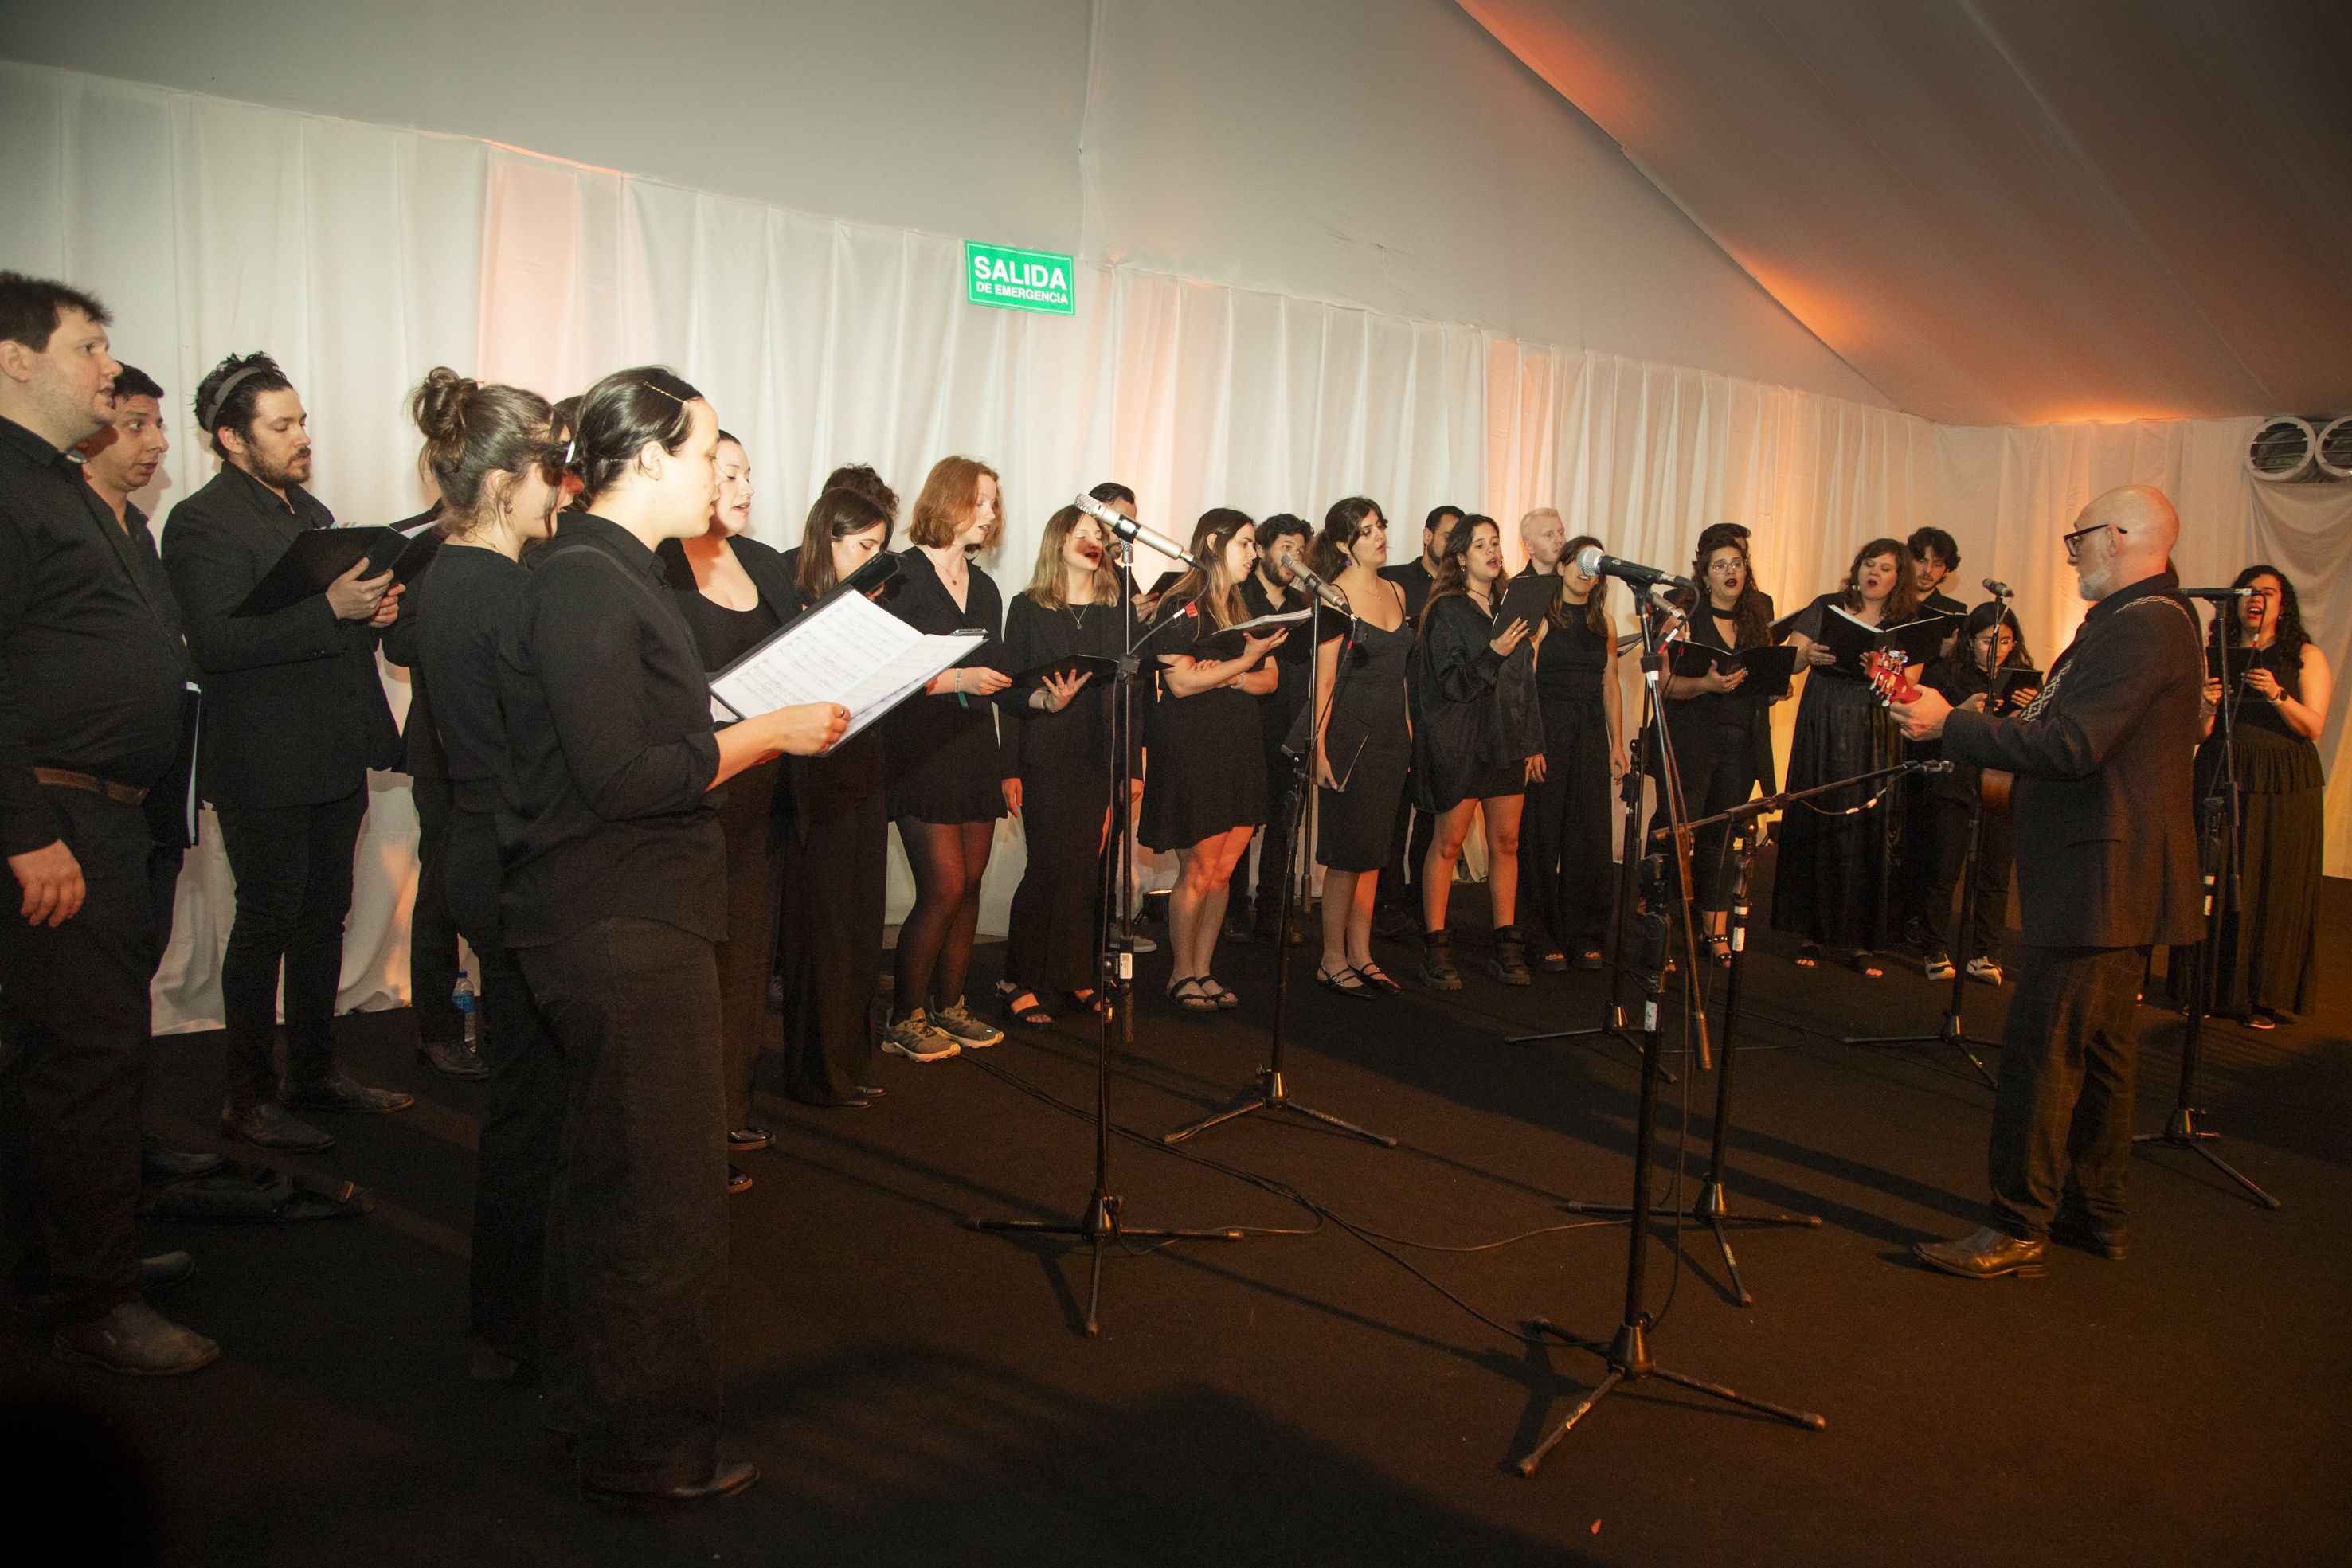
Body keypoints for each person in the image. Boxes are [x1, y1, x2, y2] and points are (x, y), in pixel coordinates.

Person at [497, 364, 845, 1505]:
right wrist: (768, 735)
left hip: (629, 909)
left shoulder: (610, 573)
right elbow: (623, 774)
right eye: (704, 453)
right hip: (617, 915)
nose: (719, 474)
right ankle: (643, 1448)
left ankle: (595, 1417)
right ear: (645, 459)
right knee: (660, 1192)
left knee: (617, 1178)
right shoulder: (586, 582)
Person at [1894, 485, 2203, 1278]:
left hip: (2104, 874)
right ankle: (2093, 1214)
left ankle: (2016, 1224)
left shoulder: (2146, 629)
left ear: (2124, 536)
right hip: (2108, 872)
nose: (2070, 551)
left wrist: (1951, 725)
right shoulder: (2131, 625)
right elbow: (2056, 726)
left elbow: (2073, 746)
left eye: (2079, 537)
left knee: (2041, 1053)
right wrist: (1974, 717)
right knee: (2099, 1056)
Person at [0, 273, 214, 1374]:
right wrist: (25, 828)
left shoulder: (66, 492)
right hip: (56, 820)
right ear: (15, 358)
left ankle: (69, 1256)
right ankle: (93, 1297)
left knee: (76, 1057)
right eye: (87, 346)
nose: (105, 368)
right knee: (84, 1059)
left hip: (106, 819)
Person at [162, 351, 412, 1150]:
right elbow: (215, 643)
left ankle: (314, 1071)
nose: (302, 435)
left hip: (330, 749)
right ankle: (247, 1093)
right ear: (232, 439)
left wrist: (367, 614)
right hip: (261, 758)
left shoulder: (308, 510)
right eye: (283, 424)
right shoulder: (201, 522)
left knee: (323, 917)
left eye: (302, 420)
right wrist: (333, 609)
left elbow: (324, 622)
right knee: (267, 920)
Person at [398, 366, 567, 1380]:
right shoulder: (506, 591)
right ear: (505, 481)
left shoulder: (446, 578)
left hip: (478, 848)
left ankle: (506, 1319)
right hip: (514, 865)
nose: (563, 489)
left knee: (525, 1096)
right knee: (534, 1105)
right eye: (549, 470)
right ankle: (514, 1321)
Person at [73, 366, 226, 1187]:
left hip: (155, 794)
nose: (157, 443)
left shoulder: (136, 529)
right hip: (84, 804)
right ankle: (96, 1167)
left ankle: (123, 1146)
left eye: (157, 426)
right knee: (89, 1006)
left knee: (134, 974)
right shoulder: (67, 532)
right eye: (133, 424)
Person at [659, 430, 799, 1193]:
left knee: (746, 957)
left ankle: (728, 1109)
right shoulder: (659, 567)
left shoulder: (768, 562)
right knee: (694, 970)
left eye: (749, 474)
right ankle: (688, 1140)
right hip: (693, 795)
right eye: (729, 474)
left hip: (763, 792)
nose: (745, 488)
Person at [880, 456, 1013, 1061]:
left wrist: (1039, 692)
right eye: (978, 501)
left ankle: (950, 1005)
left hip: (972, 748)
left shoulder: (985, 587)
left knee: (971, 885)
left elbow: (999, 672)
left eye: (992, 503)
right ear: (947, 500)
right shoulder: (900, 575)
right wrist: (953, 676)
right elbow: (880, 675)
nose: (988, 514)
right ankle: (902, 1014)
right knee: (944, 885)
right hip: (919, 748)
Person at [776, 486, 897, 1107]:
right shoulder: (792, 597)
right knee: (818, 933)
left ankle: (850, 1057)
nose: (876, 557)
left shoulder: (869, 604)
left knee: (859, 924)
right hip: (813, 783)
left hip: (865, 774)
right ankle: (815, 1070)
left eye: (882, 546)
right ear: (828, 540)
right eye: (865, 546)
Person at [1141, 508, 1288, 1012]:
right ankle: (1180, 973)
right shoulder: (1181, 604)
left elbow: (1270, 681)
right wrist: (1242, 664)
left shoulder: (1244, 605)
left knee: (1225, 871)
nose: (1255, 553)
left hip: (1239, 740)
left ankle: (1204, 969)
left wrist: (1227, 673)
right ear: (1213, 542)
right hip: (1192, 743)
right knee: (1199, 868)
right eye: (1246, 544)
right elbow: (1179, 683)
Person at [2170, 565, 2328, 1028]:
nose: (2256, 600)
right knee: (2209, 878)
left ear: (2283, 604)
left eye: (2268, 593)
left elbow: (2313, 726)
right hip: (2221, 768)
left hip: (2283, 780)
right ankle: (2198, 986)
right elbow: (2198, 733)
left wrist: (2277, 695)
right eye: (2248, 593)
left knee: (2269, 883)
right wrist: (2206, 703)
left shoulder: (2303, 654)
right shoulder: (2213, 654)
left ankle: (2259, 996)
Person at [996, 504, 1127, 1025]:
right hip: (1044, 753)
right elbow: (1009, 690)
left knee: (1083, 868)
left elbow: (1129, 692)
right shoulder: (1027, 607)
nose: (1094, 540)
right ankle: (1017, 977)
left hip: (1098, 754)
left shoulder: (1116, 609)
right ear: (1058, 541)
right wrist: (1009, 767)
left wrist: (1131, 765)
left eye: (1100, 533)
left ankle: (1075, 973)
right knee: (1048, 865)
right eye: (1083, 532)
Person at [1769, 537, 1920, 977]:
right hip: (1825, 716)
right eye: (1869, 564)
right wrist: (1807, 653)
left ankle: (1861, 936)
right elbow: (1789, 661)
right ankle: (1810, 929)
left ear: (1898, 578)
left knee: (1867, 824)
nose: (1874, 573)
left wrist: (1884, 670)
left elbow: (1910, 686)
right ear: (1857, 569)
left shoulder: (1905, 621)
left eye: (1886, 568)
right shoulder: (1828, 605)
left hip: (1874, 724)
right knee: (1821, 813)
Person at [1412, 514, 1543, 989]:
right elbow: (1451, 684)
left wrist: (1532, 743)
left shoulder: (1512, 604)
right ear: (1460, 557)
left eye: (1496, 542)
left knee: (1506, 844)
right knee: (1447, 844)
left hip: (1506, 742)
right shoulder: (1446, 610)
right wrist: (1495, 650)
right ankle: (1435, 946)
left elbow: (1523, 682)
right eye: (1481, 544)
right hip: (1463, 743)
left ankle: (1507, 947)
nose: (1493, 551)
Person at [381, 485, 483, 1082]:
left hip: (512, 743)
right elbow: (397, 641)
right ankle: (439, 1029)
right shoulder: (421, 544)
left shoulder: (535, 534)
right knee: (443, 889)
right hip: (441, 744)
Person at [1657, 523, 1785, 963]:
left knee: (1719, 837)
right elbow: (1663, 684)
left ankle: (1713, 932)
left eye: (1737, 564)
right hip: (1691, 741)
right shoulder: (1681, 610)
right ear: (1704, 574)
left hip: (1742, 744)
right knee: (1678, 836)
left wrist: (1775, 684)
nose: (1730, 572)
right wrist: (1707, 684)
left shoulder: (1760, 609)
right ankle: (1665, 926)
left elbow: (1765, 673)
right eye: (1720, 566)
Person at [1307, 498, 1412, 996]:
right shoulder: (1333, 597)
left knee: (1374, 852)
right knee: (1347, 852)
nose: (1379, 537)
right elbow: (1324, 679)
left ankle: (1362, 953)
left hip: (1393, 733)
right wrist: (1320, 747)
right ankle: (1331, 956)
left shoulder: (1396, 590)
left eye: (1380, 527)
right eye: (1367, 531)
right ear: (1345, 544)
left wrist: (1409, 726)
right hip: (1351, 734)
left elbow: (1403, 672)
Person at [1518, 535, 1625, 972]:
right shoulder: (1541, 617)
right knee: (1541, 837)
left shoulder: (1605, 623)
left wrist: (1617, 744)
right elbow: (1524, 681)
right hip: (1548, 730)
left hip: (1589, 734)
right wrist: (1531, 743)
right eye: (1579, 560)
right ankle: (1538, 935)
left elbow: (1610, 682)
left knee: (1589, 835)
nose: (1586, 569)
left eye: (1596, 563)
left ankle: (1585, 934)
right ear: (1561, 565)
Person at [1916, 603, 2033, 985]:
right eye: (1988, 641)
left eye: (2005, 642)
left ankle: (1986, 952)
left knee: (1995, 872)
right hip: (1954, 780)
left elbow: (2035, 738)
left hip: (2000, 785)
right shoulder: (1946, 676)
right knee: (1944, 868)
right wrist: (1961, 711)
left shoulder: (2025, 682)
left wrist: (2028, 713)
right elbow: (1928, 727)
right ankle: (1934, 947)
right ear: (1970, 640)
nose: (1997, 649)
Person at [1372, 502, 1464, 938]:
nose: (1453, 547)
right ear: (1427, 536)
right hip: (1402, 707)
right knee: (1394, 813)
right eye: (1448, 536)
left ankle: (1419, 899)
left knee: (1434, 812)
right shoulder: (1396, 582)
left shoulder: (1465, 591)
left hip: (1446, 715)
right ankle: (1387, 902)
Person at [1234, 512, 1314, 942]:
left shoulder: (1306, 604)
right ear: (1261, 550)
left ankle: (1272, 912)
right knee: (1242, 823)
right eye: (1286, 547)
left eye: (1301, 551)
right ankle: (1232, 910)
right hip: (1248, 723)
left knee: (1285, 823)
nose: (1293, 557)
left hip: (1291, 725)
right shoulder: (1237, 596)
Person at [1516, 507, 1568, 577]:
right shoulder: (1515, 586)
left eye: (1561, 533)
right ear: (1530, 547)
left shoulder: (1574, 584)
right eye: (1549, 535)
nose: (1559, 540)